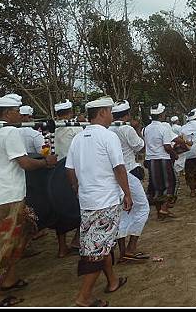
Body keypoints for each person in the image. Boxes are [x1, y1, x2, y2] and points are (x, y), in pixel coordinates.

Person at [0, 93, 58, 307]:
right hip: (7, 197)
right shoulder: (10, 132)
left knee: (24, 232)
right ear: (7, 113)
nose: (21, 115)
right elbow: (24, 163)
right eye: (17, 111)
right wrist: (46, 163)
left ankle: (9, 280)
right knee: (3, 246)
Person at [65, 97, 131, 307]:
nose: (112, 116)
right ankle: (83, 297)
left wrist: (77, 188)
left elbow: (69, 169)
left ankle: (112, 281)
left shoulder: (78, 138)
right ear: (102, 112)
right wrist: (127, 194)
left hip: (87, 201)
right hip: (106, 200)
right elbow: (119, 168)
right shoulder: (108, 136)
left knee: (99, 244)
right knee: (98, 249)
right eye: (110, 111)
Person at [109, 100, 150, 264]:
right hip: (128, 172)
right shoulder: (126, 129)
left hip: (114, 175)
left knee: (124, 211)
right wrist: (137, 129)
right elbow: (140, 147)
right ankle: (131, 248)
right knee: (142, 208)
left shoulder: (108, 129)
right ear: (127, 114)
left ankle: (123, 250)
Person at [52, 99, 82, 258]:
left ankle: (62, 247)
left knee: (61, 210)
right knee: (82, 206)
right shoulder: (73, 128)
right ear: (70, 112)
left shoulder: (54, 128)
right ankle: (77, 240)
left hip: (56, 173)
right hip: (73, 172)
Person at [143, 103, 180, 220]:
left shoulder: (146, 129)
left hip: (151, 160)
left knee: (156, 186)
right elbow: (167, 146)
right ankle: (164, 208)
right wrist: (175, 155)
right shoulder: (164, 128)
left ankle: (160, 212)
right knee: (170, 183)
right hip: (163, 159)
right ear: (161, 115)